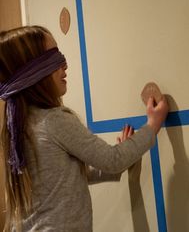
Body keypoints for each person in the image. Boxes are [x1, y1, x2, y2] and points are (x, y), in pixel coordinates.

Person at [0, 25, 168, 232]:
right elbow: (111, 160)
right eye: (54, 58)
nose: (65, 65)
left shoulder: (18, 128)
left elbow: (64, 176)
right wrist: (153, 125)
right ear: (34, 74)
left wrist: (125, 155)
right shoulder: (54, 121)